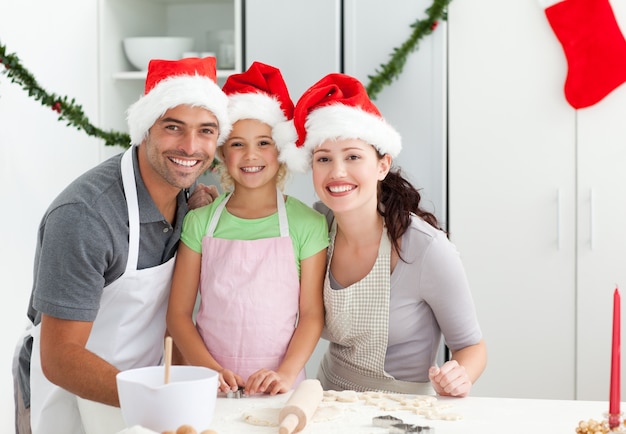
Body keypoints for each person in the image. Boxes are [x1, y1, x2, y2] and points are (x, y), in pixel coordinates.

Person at [13, 56, 231, 434]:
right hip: (73, 399)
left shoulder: (191, 198)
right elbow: (60, 357)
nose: (191, 146)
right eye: (173, 127)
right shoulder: (85, 216)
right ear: (145, 129)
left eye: (206, 131)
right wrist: (153, 400)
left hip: (151, 397)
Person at [283, 73, 487, 397]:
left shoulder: (425, 248)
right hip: (326, 398)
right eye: (324, 159)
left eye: (353, 156)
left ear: (382, 165)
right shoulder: (313, 228)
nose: (337, 172)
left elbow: (471, 347)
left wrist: (460, 376)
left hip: (404, 409)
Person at [166, 61, 328, 397]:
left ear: (281, 151)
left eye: (264, 143)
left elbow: (312, 315)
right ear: (222, 153)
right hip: (209, 385)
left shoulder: (307, 224)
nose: (250, 155)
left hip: (279, 387)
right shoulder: (200, 222)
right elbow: (179, 315)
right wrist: (208, 371)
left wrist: (284, 374)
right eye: (237, 144)